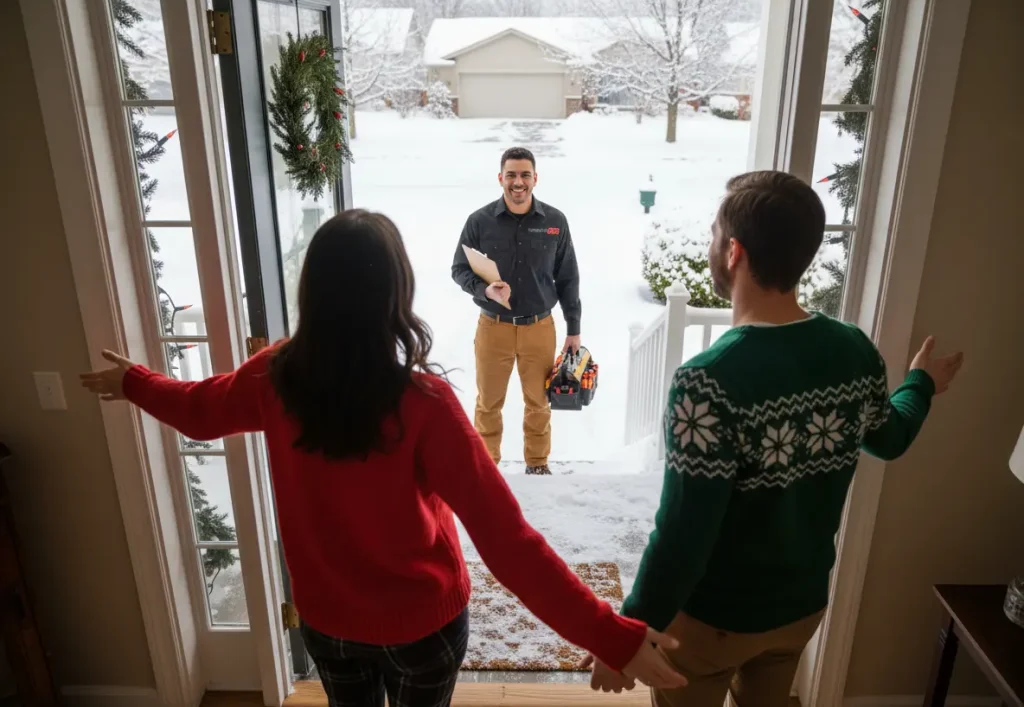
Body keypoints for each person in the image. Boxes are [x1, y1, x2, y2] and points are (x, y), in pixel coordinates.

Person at [80, 210, 684, 707]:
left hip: (329, 625)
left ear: (313, 292)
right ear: (396, 293)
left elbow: (196, 411)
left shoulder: (274, 377)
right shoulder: (425, 405)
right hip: (425, 627)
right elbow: (510, 543)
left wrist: (133, 381)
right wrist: (612, 636)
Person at [586, 171, 964, 707]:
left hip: (716, 623)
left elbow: (683, 536)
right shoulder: (853, 351)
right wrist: (920, 384)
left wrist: (624, 634)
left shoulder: (708, 381)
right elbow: (890, 437)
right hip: (799, 612)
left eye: (716, 234)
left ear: (734, 251)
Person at [451, 147, 580, 476]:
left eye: (525, 174)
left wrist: (573, 329)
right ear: (500, 178)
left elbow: (567, 278)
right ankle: (486, 468)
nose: (518, 182)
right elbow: (459, 269)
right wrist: (484, 290)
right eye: (511, 175)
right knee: (488, 403)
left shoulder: (554, 222)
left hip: (539, 328)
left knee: (538, 403)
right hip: (493, 328)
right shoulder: (479, 221)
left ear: (535, 178)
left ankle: (537, 464)